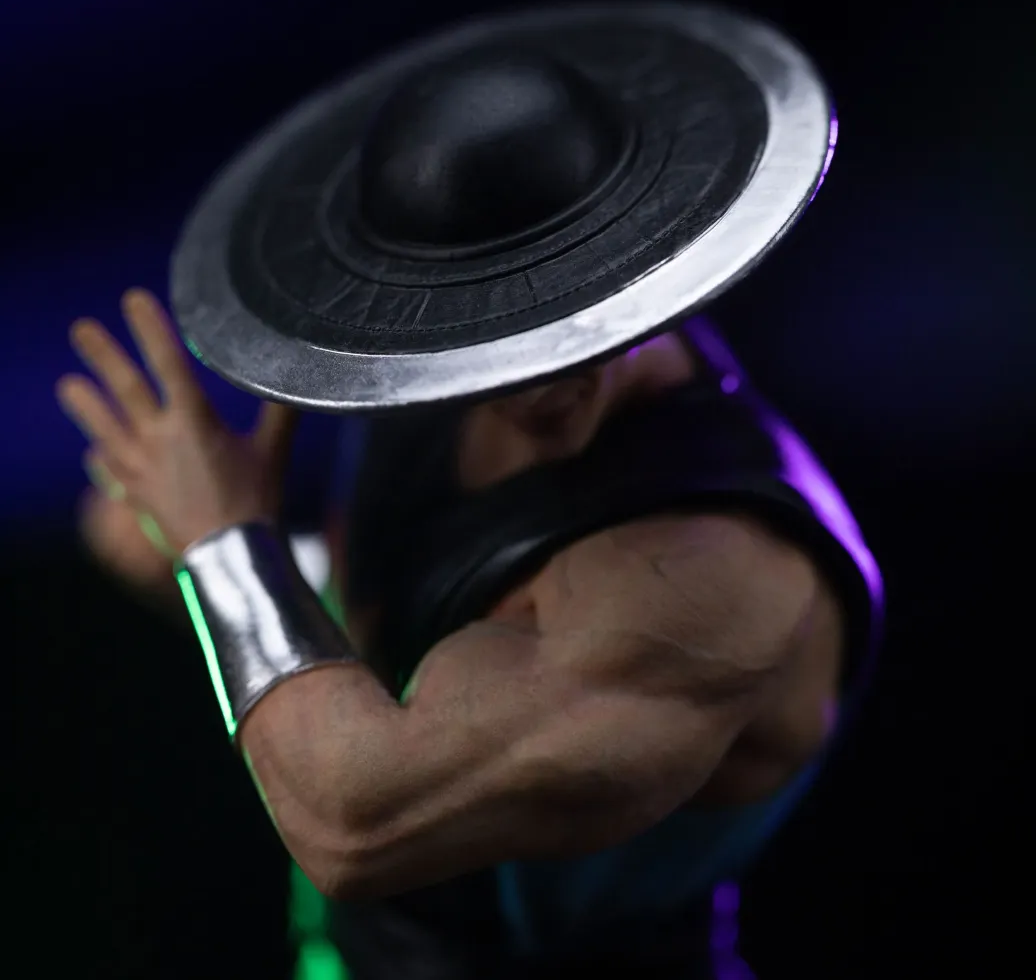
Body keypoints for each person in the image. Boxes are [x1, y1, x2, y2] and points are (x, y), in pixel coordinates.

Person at [58, 287, 881, 979]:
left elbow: (353, 820)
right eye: (488, 329)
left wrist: (224, 549)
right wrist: (226, 557)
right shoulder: (419, 382)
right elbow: (401, 636)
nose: (533, 379)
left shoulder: (717, 569)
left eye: (564, 316)